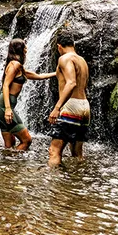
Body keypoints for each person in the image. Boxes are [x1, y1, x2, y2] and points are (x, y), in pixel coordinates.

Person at [0, 38, 56, 151]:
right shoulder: (14, 65)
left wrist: (57, 72)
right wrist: (7, 109)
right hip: (3, 107)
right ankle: (15, 166)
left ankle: (6, 166)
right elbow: (5, 85)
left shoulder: (18, 67)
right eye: (25, 47)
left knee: (9, 144)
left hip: (2, 106)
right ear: (19, 49)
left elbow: (39, 76)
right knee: (27, 140)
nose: (26, 49)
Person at [47, 29, 90, 166]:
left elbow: (71, 83)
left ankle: (51, 184)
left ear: (59, 46)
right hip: (84, 107)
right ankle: (76, 181)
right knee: (77, 152)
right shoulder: (82, 61)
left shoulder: (64, 58)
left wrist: (57, 107)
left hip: (71, 106)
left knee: (54, 150)